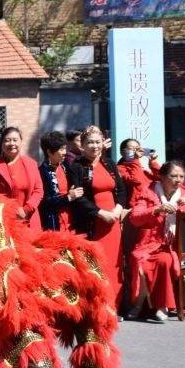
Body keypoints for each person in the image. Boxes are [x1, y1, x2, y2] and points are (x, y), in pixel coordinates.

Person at [127, 161, 185, 322]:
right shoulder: (149, 192)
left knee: (165, 260)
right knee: (140, 262)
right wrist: (157, 210)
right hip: (148, 244)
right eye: (173, 176)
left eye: (182, 176)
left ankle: (162, 306)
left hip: (174, 245)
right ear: (161, 176)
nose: (178, 180)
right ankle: (138, 305)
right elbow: (135, 218)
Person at [67, 125, 128, 309]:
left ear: (103, 143)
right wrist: (101, 213)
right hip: (93, 222)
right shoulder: (76, 166)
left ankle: (114, 306)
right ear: (82, 146)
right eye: (90, 142)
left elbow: (121, 190)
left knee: (114, 264)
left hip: (113, 222)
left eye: (97, 142)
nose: (94, 146)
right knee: (95, 265)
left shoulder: (109, 163)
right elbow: (79, 198)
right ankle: (97, 306)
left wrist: (117, 210)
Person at [0, 126, 43, 231]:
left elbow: (38, 190)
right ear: (2, 144)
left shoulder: (31, 164)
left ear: (20, 142)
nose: (12, 143)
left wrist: (26, 209)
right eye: (7, 140)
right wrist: (10, 210)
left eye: (15, 140)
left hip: (30, 220)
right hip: (5, 221)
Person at [38, 131, 83, 232]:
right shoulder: (42, 172)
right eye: (61, 149)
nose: (65, 152)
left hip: (70, 219)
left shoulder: (65, 166)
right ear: (49, 152)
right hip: (54, 222)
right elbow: (46, 202)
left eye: (65, 148)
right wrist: (68, 197)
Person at [116, 138, 160, 204]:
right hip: (136, 205)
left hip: (152, 203)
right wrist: (135, 159)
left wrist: (153, 163)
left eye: (137, 148)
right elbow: (136, 180)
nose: (135, 151)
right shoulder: (119, 168)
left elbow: (160, 178)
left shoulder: (140, 167)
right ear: (122, 152)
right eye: (132, 148)